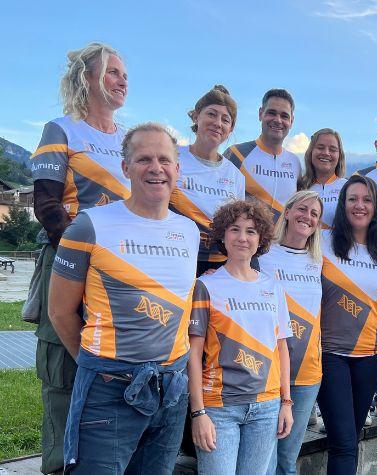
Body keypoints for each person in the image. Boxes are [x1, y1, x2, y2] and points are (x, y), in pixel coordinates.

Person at [48, 123, 199, 473]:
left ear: (178, 168)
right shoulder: (90, 225)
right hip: (109, 389)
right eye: (144, 158)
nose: (156, 167)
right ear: (125, 167)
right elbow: (59, 312)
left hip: (172, 388)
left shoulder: (188, 231)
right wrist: (99, 369)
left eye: (164, 159)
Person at [29, 42, 129, 475]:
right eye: (112, 72)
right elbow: (47, 205)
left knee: (111, 364)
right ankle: (58, 466)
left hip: (120, 272)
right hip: (71, 262)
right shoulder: (61, 129)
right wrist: (81, 251)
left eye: (124, 74)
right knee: (64, 371)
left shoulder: (129, 138)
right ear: (86, 78)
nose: (122, 80)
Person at [188, 199, 293, 475]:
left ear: (261, 239)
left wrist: (286, 403)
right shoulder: (205, 285)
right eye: (235, 229)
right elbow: (193, 355)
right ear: (222, 235)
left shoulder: (273, 287)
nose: (242, 237)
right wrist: (198, 412)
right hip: (220, 409)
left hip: (266, 407)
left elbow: (281, 349)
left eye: (251, 231)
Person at [318, 174, 377, 474]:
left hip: (371, 359)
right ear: (342, 204)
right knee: (344, 441)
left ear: (376, 207)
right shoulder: (321, 242)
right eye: (352, 199)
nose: (359, 205)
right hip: (329, 354)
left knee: (352, 437)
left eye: (366, 199)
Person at [255, 190, 324, 475]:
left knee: (286, 460)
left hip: (307, 373)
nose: (307, 216)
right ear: (286, 211)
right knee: (264, 460)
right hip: (267, 371)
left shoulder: (319, 258)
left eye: (314, 214)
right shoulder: (263, 254)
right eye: (302, 209)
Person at [169, 85, 245, 275]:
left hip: (217, 265)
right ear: (196, 117)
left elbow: (236, 228)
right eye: (211, 114)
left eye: (225, 119)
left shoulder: (236, 176)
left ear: (230, 129)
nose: (218, 123)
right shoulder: (172, 158)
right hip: (173, 257)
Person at [224, 89, 301, 223]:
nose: (278, 120)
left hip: (281, 243)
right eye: (272, 113)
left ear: (292, 121)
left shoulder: (295, 163)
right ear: (260, 114)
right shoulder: (236, 154)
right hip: (245, 241)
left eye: (284, 116)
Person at [297, 128, 348, 228]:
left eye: (332, 149)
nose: (326, 153)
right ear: (311, 152)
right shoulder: (298, 187)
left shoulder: (348, 187)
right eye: (320, 147)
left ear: (339, 156)